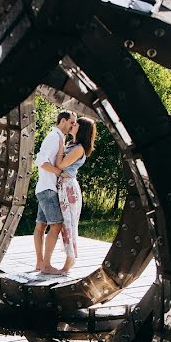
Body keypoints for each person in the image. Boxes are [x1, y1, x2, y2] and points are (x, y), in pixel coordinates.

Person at [33, 111, 76, 273]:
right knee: (56, 225)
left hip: (44, 188)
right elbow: (41, 161)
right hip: (48, 190)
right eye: (71, 122)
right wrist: (59, 173)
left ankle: (39, 263)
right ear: (63, 121)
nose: (72, 126)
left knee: (40, 226)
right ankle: (46, 265)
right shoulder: (54, 137)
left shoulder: (59, 137)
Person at [55, 116, 97, 273]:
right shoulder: (73, 145)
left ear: (82, 129)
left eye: (75, 124)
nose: (72, 125)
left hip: (69, 189)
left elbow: (60, 164)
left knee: (69, 225)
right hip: (64, 187)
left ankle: (69, 261)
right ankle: (69, 258)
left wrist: (59, 145)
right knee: (64, 224)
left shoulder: (79, 149)